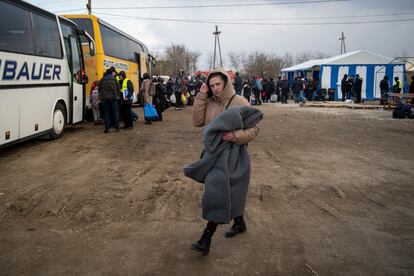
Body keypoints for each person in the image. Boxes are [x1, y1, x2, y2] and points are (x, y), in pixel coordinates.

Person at [190, 68, 260, 256]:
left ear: (226, 83)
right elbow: (197, 122)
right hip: (213, 155)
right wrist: (201, 97)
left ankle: (207, 236)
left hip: (235, 154)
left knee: (228, 190)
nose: (215, 88)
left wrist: (235, 135)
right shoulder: (209, 101)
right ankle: (238, 222)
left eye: (218, 84)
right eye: (211, 85)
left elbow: (254, 129)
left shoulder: (240, 102)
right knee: (219, 190)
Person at [99, 68, 121, 133]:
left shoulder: (102, 80)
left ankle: (107, 128)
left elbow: (99, 89)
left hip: (104, 99)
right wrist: (118, 96)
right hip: (113, 98)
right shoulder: (114, 79)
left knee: (106, 113)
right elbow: (118, 89)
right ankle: (117, 127)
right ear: (111, 73)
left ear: (106, 73)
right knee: (115, 113)